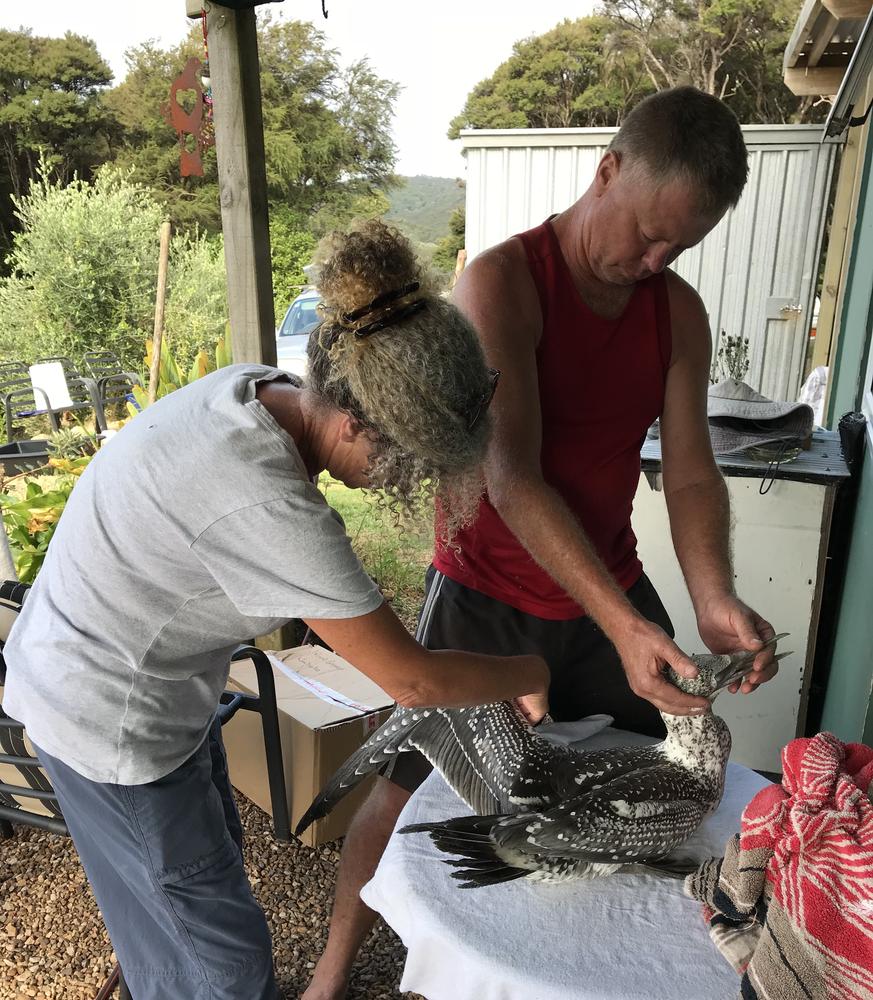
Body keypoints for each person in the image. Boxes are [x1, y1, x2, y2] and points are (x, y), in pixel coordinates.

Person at [305, 86, 780, 1000]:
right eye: (647, 234)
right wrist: (624, 625)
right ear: (607, 171)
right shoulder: (503, 283)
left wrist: (712, 597)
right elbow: (510, 477)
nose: (654, 261)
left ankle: (580, 969)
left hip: (609, 586)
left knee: (657, 786)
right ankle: (332, 971)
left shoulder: (675, 313)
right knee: (405, 786)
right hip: (485, 590)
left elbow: (690, 474)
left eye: (679, 248)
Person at [0, 221, 551, 1000]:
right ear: (354, 423)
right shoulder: (267, 505)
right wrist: (531, 670)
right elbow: (414, 681)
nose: (406, 483)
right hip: (107, 719)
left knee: (185, 887)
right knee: (218, 960)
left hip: (110, 673)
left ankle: (163, 968)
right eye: (409, 464)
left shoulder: (253, 391)